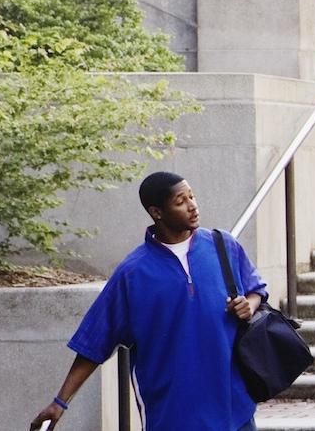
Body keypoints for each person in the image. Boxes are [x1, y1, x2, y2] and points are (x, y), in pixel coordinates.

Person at [31, 172, 267, 431]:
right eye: (180, 201)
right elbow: (94, 343)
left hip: (235, 409)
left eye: (192, 196)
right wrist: (60, 402)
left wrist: (250, 305)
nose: (193, 205)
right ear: (157, 212)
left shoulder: (224, 246)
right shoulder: (133, 273)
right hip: (172, 415)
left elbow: (256, 290)